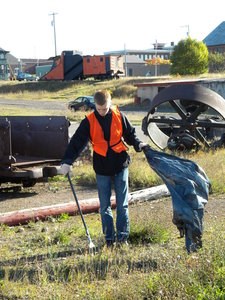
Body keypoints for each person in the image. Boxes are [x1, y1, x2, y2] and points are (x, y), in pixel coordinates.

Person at [59, 90, 147, 247]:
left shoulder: (120, 116)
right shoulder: (89, 121)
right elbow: (76, 142)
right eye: (99, 109)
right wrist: (67, 161)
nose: (102, 112)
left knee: (122, 205)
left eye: (105, 108)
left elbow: (130, 134)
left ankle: (122, 238)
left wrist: (138, 143)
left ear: (110, 103)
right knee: (104, 206)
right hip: (101, 167)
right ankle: (109, 240)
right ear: (94, 105)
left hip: (120, 164)